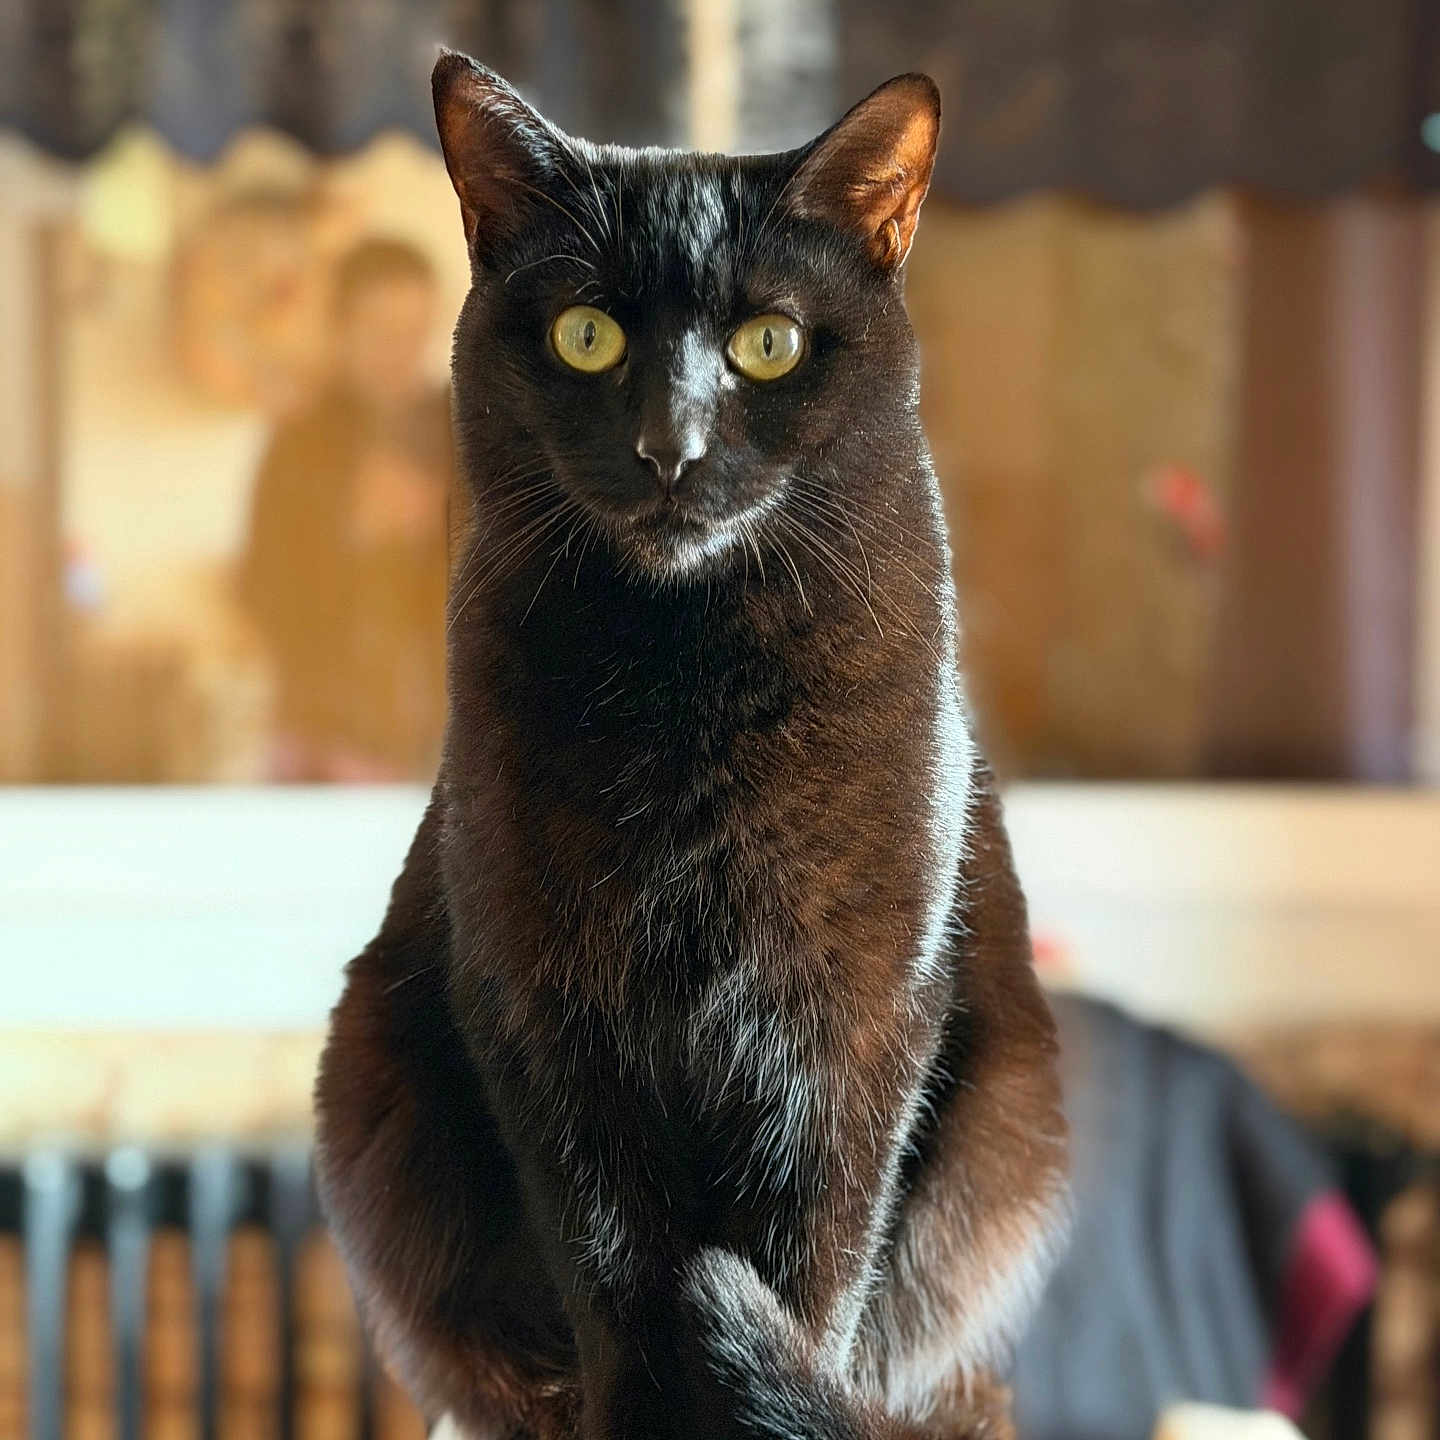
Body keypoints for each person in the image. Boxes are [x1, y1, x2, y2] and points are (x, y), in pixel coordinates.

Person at [239, 238, 454, 780]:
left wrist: (443, 522)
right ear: (341, 328)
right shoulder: (301, 447)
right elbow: (259, 589)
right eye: (382, 332)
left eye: (415, 333)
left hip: (442, 732)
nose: (400, 352)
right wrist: (347, 533)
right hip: (323, 732)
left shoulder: (462, 431)